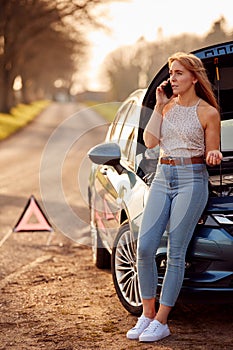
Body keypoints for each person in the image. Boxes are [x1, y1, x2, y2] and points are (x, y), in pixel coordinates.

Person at [126, 52, 222, 343]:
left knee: (176, 251)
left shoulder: (209, 112)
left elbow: (212, 151)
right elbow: (151, 142)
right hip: (163, 177)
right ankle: (147, 314)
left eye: (178, 73)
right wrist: (158, 105)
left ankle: (162, 321)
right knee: (144, 247)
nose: (172, 78)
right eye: (171, 73)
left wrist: (214, 154)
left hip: (192, 179)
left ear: (194, 77)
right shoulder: (165, 108)